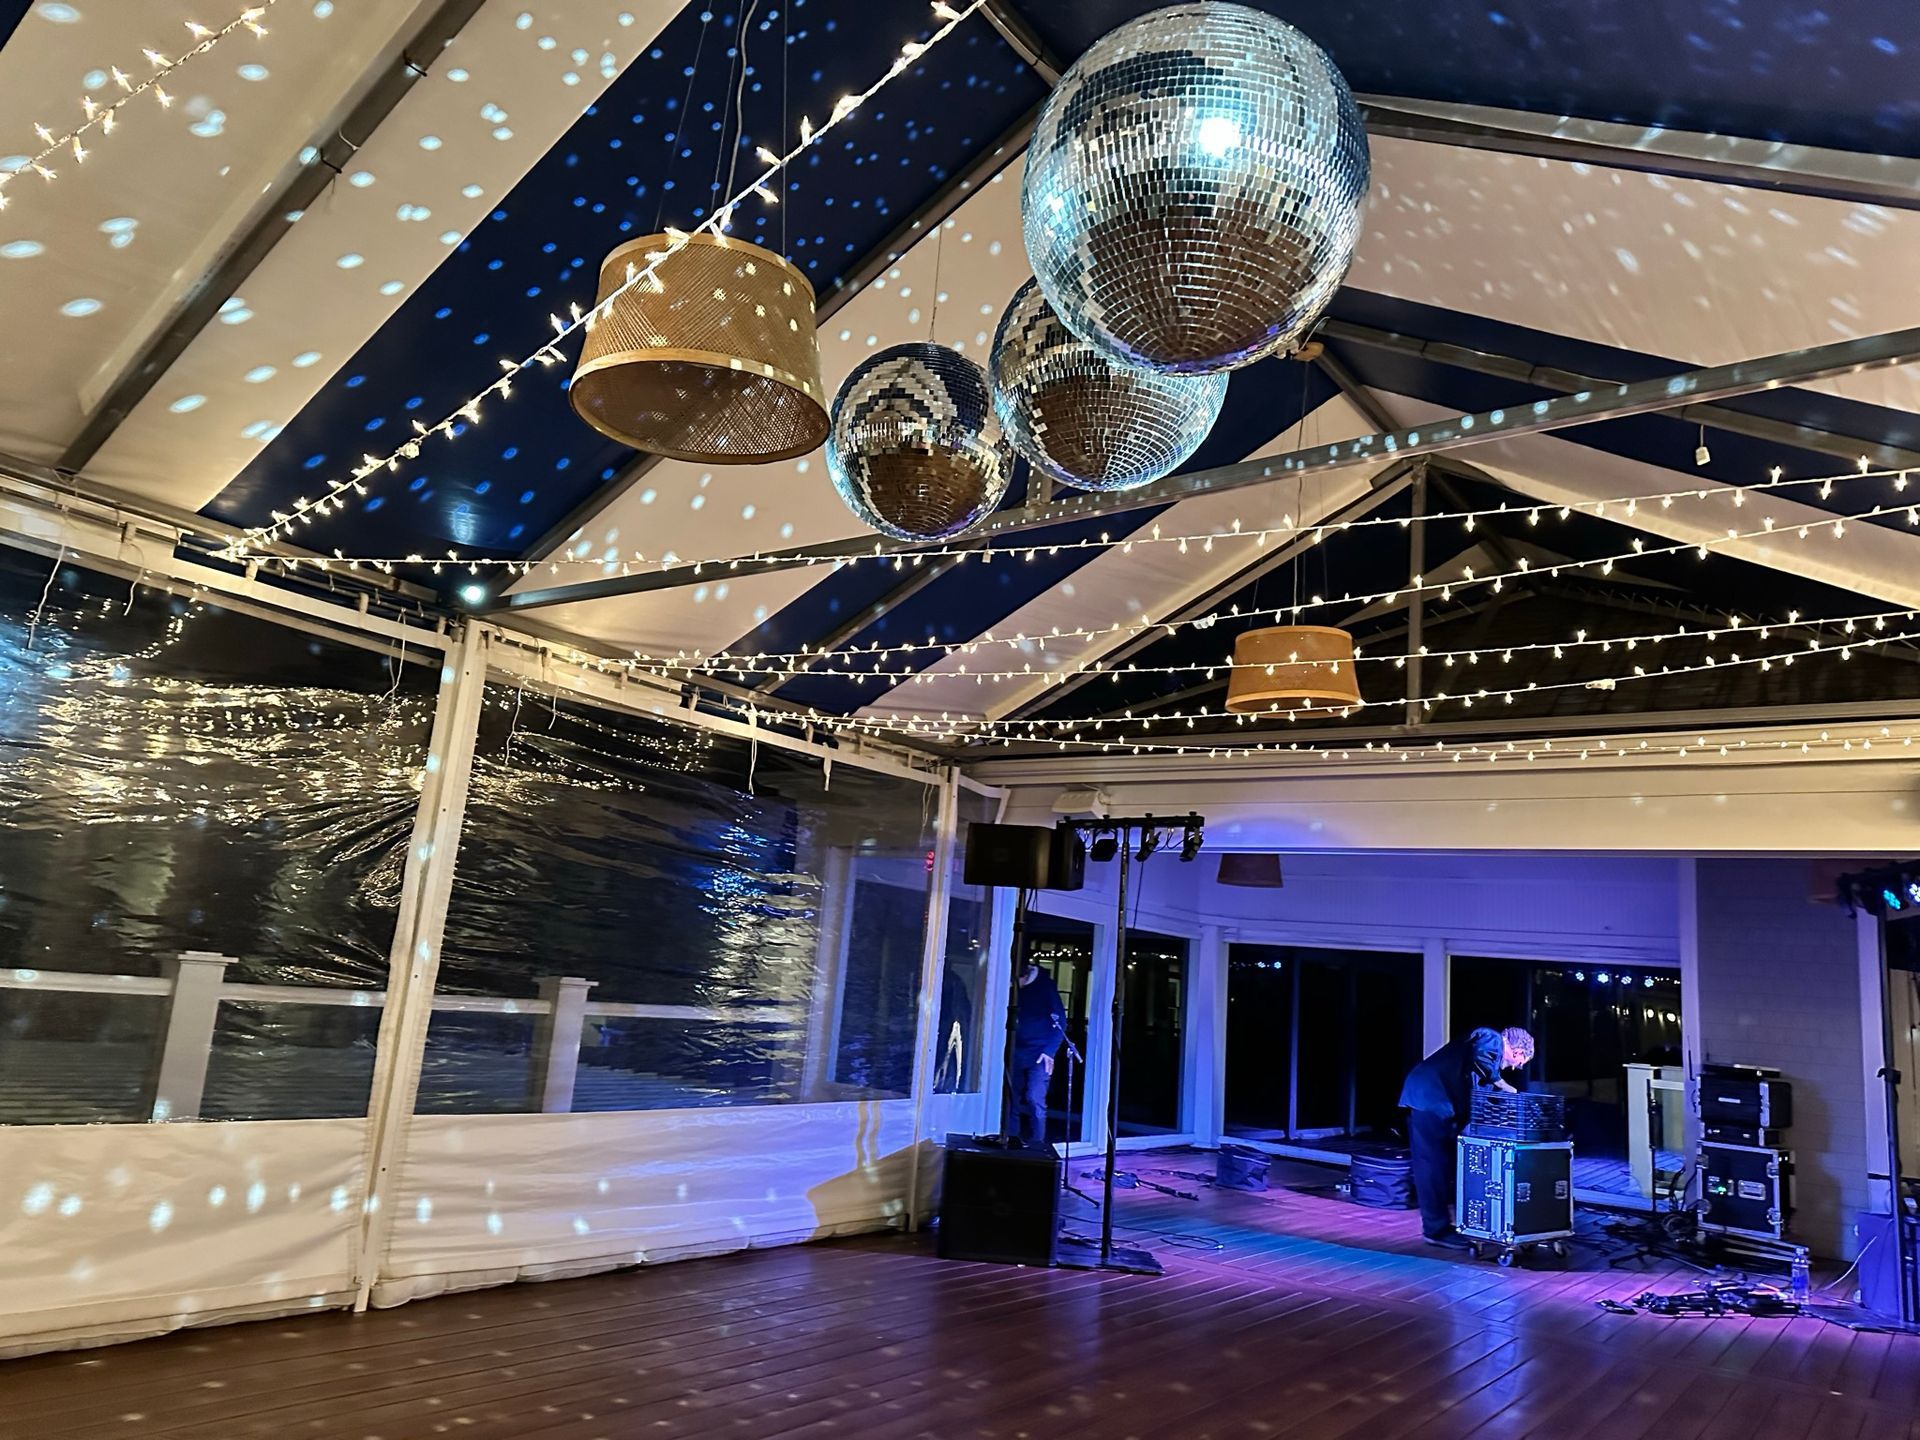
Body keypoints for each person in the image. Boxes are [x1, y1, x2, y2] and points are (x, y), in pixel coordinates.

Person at [1399, 1026, 1535, 1246]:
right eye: (1520, 1062)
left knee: (1444, 1167)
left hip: (1439, 1105)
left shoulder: (1482, 1068)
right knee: (1431, 1168)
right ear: (1518, 1051)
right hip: (1428, 1100)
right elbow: (1482, 1054)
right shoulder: (1490, 1039)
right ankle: (1436, 1231)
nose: (1516, 1068)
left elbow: (1480, 1095)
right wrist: (1504, 1086)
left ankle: (1444, 1226)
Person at [1009, 957, 1067, 1146]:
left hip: (1040, 1052)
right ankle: (1012, 1138)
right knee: (1011, 1098)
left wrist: (1049, 1051)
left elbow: (1060, 1023)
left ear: (1025, 976)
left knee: (1035, 1097)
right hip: (1016, 1050)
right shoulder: (1014, 988)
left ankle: (1038, 1144)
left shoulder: (1045, 987)